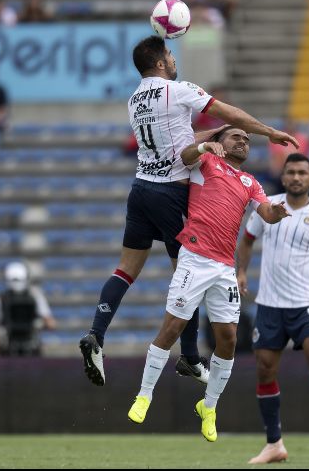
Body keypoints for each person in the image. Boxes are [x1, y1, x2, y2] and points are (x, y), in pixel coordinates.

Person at [78, 35, 299, 389]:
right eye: (169, 53)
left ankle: (95, 335)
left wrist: (220, 134)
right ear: (162, 63)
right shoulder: (178, 90)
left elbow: (181, 134)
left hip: (140, 190)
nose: (173, 57)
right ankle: (191, 358)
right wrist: (268, 131)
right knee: (190, 272)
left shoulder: (135, 99)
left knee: (125, 270)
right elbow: (228, 112)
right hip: (170, 193)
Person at [126, 126, 293, 443]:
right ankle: (145, 394)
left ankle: (209, 407)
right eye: (236, 137)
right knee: (173, 327)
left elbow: (266, 212)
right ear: (220, 142)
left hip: (223, 267)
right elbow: (184, 154)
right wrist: (204, 148)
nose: (243, 141)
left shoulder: (250, 182)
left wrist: (277, 212)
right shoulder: (207, 162)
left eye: (246, 139)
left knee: (228, 338)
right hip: (194, 257)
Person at [236, 153, 309, 463]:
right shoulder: (268, 207)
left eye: (302, 172)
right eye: (291, 172)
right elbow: (247, 239)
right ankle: (274, 443)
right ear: (284, 176)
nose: (296, 177)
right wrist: (240, 272)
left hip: (304, 302)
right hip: (269, 304)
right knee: (264, 369)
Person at [0, 262, 57, 357]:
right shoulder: (0, 299)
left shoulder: (35, 297)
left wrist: (39, 325)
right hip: (10, 347)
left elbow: (50, 323)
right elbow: (51, 324)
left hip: (30, 346)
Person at [268, 119, 309, 192]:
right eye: (289, 123)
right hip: (280, 169)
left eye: (293, 123)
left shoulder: (302, 138)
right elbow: (276, 156)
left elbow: (302, 155)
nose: (291, 126)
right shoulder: (279, 137)